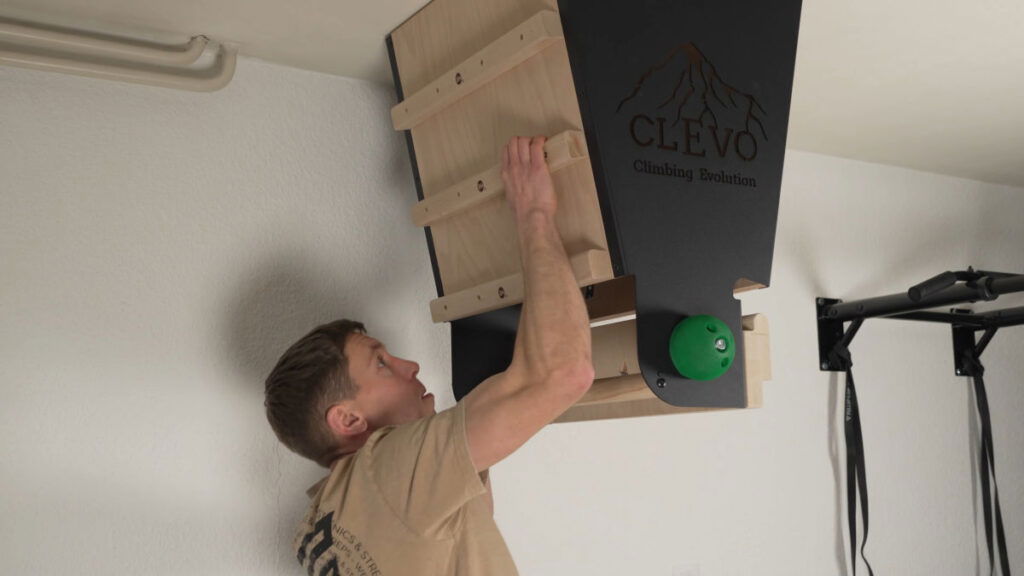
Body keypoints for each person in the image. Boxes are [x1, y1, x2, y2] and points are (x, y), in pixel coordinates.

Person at [263, 135, 595, 575]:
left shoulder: (322, 521)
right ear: (347, 420)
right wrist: (534, 213)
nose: (411, 366)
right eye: (381, 362)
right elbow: (565, 373)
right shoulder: (385, 473)